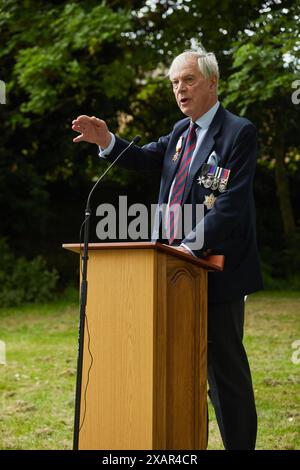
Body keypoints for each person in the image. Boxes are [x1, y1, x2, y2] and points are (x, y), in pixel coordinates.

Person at [72, 48, 263, 450]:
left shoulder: (237, 132)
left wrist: (189, 247)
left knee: (223, 374)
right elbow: (144, 158)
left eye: (188, 80)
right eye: (175, 82)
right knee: (172, 368)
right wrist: (107, 140)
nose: (180, 89)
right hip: (171, 271)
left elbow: (229, 204)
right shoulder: (180, 133)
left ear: (212, 82)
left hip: (215, 270)